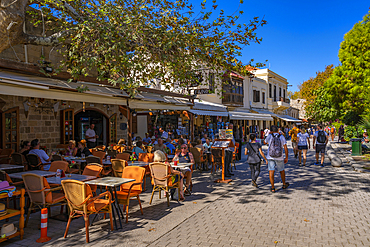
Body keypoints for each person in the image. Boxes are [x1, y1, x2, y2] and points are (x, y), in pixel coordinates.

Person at [264, 125, 289, 193]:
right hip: (279, 156)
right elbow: (285, 147)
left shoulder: (269, 136)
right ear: (278, 130)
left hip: (270, 156)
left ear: (271, 131)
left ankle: (272, 187)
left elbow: (264, 142)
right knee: (281, 171)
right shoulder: (281, 137)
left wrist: (268, 135)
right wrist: (286, 157)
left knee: (271, 171)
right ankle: (284, 184)